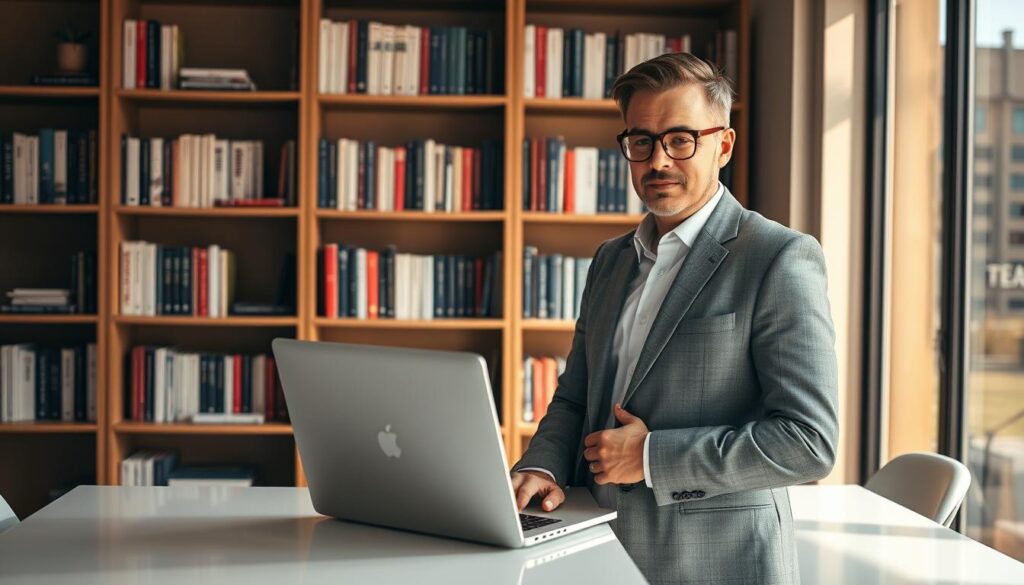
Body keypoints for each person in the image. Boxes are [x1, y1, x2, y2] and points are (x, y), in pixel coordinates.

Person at [510, 53, 839, 584]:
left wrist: (652, 457)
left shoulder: (779, 257)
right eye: (641, 141)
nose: (658, 160)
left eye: (681, 139)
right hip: (588, 546)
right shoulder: (611, 259)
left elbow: (808, 443)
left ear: (723, 146)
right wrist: (541, 466)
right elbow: (576, 394)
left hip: (716, 562)